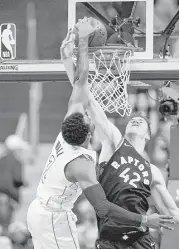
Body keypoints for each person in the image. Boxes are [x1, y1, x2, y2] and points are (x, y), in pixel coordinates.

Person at [27, 18, 174, 249]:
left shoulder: (151, 169)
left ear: (148, 134)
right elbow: (103, 207)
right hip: (69, 221)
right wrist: (146, 219)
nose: (136, 120)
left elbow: (81, 87)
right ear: (89, 134)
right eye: (133, 120)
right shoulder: (110, 145)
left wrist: (72, 55)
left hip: (138, 237)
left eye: (141, 121)